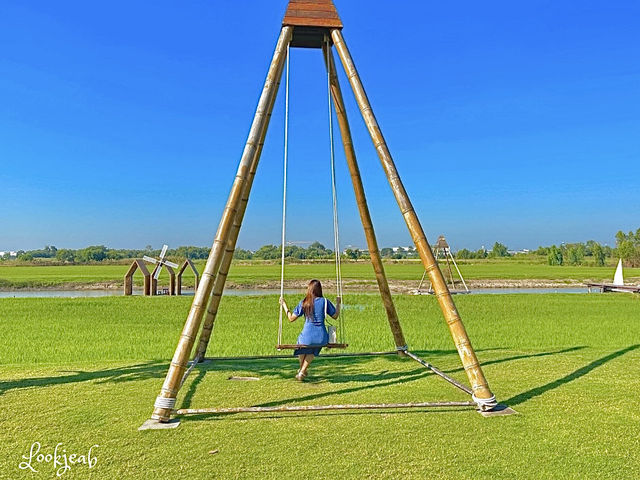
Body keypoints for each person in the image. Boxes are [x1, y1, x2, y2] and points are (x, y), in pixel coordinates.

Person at [279, 279, 341, 381]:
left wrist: (284, 305)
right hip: (321, 337)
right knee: (314, 349)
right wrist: (338, 303)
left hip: (306, 336)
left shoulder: (304, 302)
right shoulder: (325, 301)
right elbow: (335, 316)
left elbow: (291, 318)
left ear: (309, 289)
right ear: (319, 289)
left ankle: (301, 370)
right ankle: (302, 371)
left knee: (302, 346)